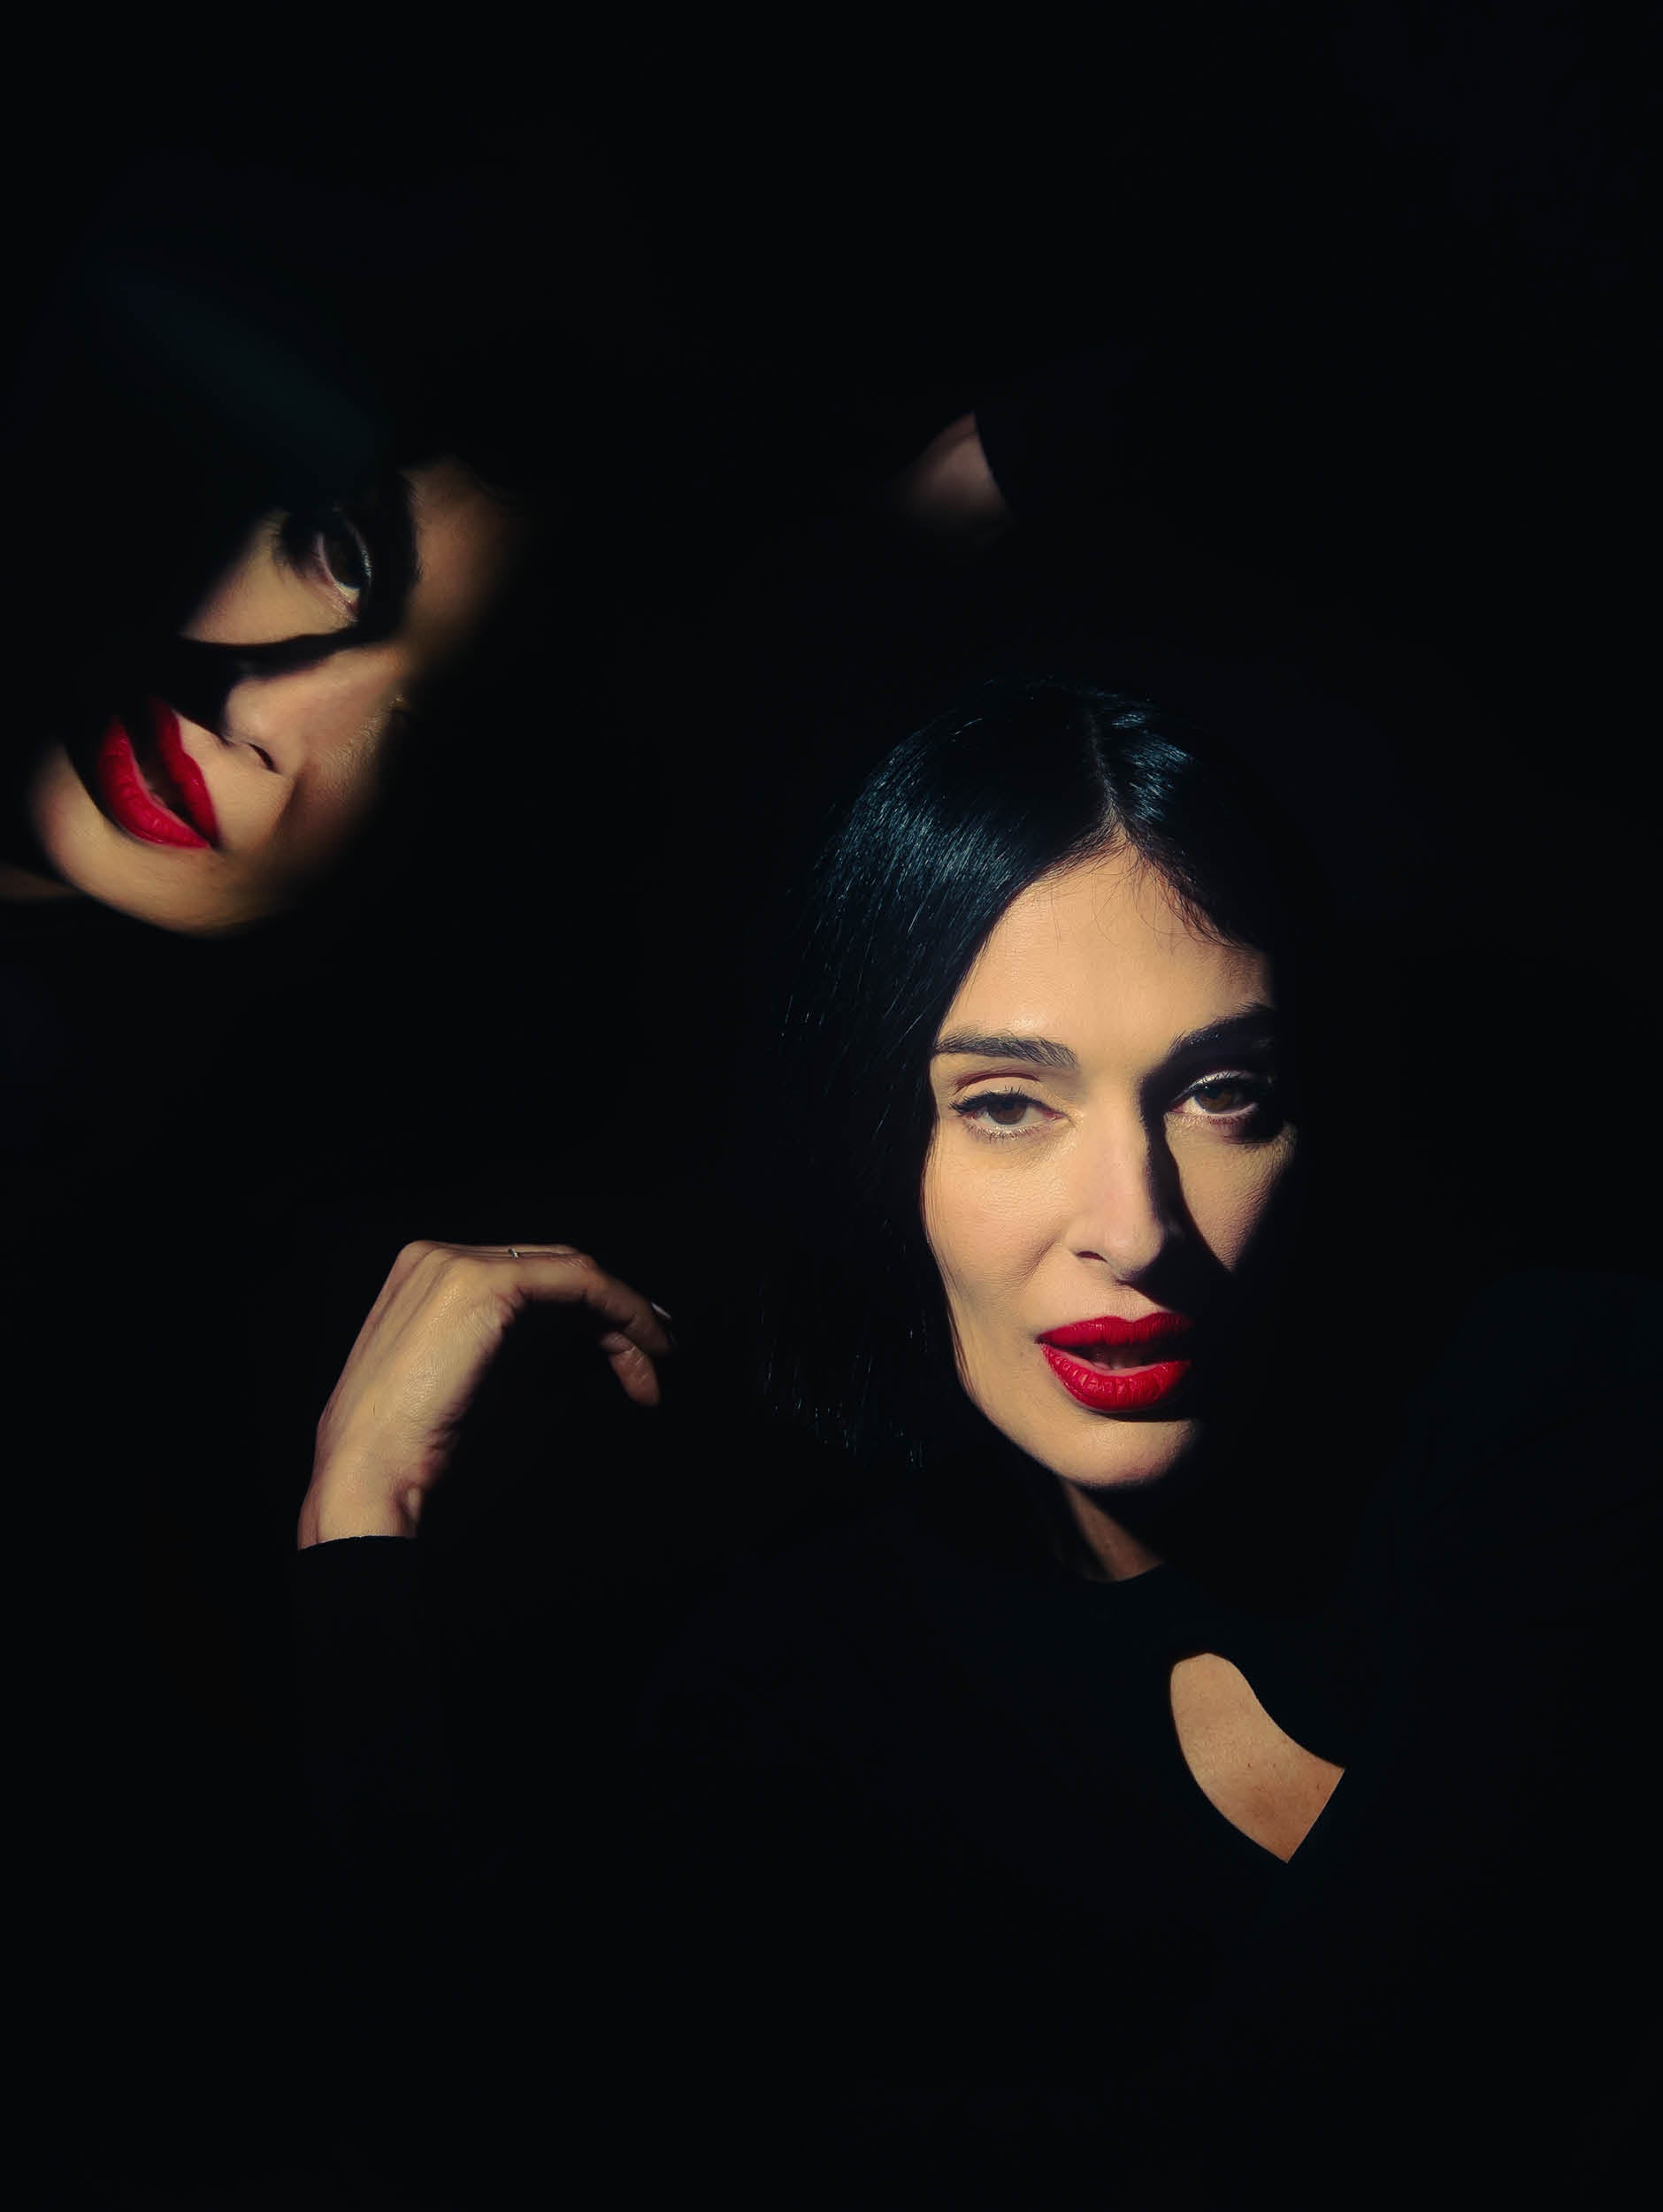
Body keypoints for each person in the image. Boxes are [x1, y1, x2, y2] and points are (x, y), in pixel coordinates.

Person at [280, 678, 1659, 2207]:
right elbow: (469, 2136)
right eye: (1007, 1105)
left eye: (1220, 1093)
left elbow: (1311, 2124)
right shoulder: (808, 1684)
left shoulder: (1560, 1405)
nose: (1134, 1228)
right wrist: (361, 1519)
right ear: (883, 1147)